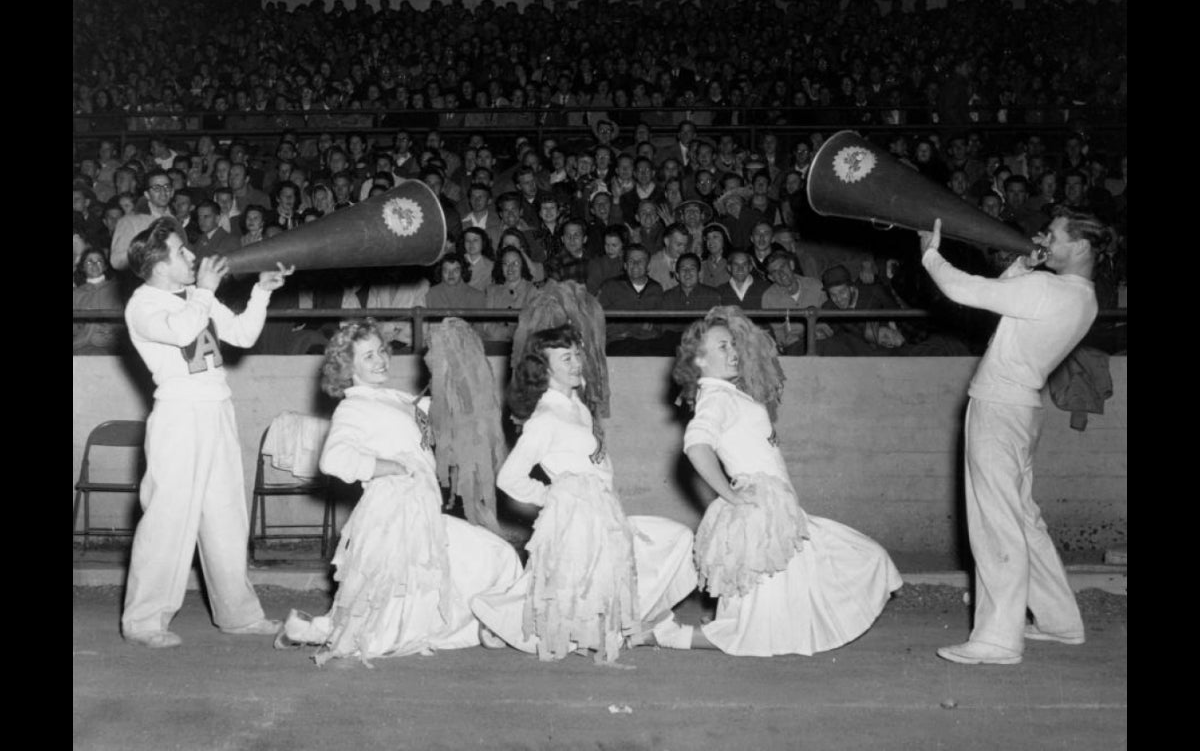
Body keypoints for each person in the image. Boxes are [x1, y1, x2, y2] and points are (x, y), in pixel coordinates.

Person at [274, 320, 522, 665]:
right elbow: (334, 459)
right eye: (368, 356)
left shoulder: (396, 398)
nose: (380, 360)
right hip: (394, 515)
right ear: (348, 367)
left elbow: (443, 410)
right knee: (389, 617)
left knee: (479, 561)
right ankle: (485, 624)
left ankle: (310, 629)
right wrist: (386, 466)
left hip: (422, 508)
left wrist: (453, 361)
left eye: (381, 351)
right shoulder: (353, 407)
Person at [918, 213, 1106, 665]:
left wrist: (929, 253)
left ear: (1080, 248)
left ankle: (999, 639)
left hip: (999, 409)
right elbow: (1010, 297)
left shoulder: (1047, 290)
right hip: (1023, 409)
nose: (1042, 236)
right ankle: (1061, 621)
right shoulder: (1084, 298)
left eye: (1054, 235)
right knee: (1023, 521)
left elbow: (966, 290)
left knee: (995, 521)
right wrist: (1026, 263)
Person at [672, 306, 902, 655]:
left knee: (859, 559)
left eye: (733, 345)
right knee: (760, 631)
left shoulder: (729, 394)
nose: (733, 352)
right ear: (699, 360)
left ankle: (694, 630)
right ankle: (660, 635)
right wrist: (731, 497)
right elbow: (696, 446)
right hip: (762, 517)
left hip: (777, 513)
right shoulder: (716, 397)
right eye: (722, 347)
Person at [471, 325, 698, 665]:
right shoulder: (545, 418)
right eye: (566, 358)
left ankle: (608, 624)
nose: (577, 362)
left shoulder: (577, 405)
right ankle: (496, 621)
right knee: (564, 587)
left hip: (603, 509)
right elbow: (509, 477)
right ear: (545, 368)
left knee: (664, 545)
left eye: (577, 354)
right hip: (574, 516)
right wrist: (554, 496)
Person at [120, 217, 294, 649]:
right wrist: (205, 291)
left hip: (218, 410)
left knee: (226, 516)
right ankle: (144, 621)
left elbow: (243, 334)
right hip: (179, 415)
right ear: (159, 265)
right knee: (167, 519)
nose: (193, 256)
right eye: (182, 252)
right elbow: (181, 330)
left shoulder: (194, 296)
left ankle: (238, 614)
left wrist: (262, 292)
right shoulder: (142, 304)